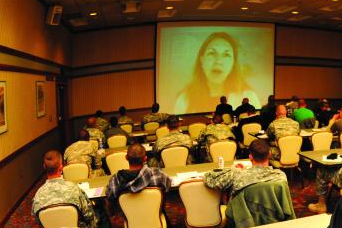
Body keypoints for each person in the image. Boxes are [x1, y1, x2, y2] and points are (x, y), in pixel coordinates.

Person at [174, 32, 260, 114]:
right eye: (212, 53)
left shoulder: (249, 95)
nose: (218, 61)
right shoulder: (184, 99)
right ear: (202, 59)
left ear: (233, 63)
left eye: (226, 55)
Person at [32, 150, 98, 228]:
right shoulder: (74, 189)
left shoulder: (37, 196)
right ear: (61, 167)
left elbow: (38, 221)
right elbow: (88, 215)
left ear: (44, 166)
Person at [203, 139, 287, 196]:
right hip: (273, 219)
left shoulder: (237, 175)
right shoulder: (281, 176)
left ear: (250, 157)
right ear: (269, 154)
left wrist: (233, 169)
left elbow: (209, 178)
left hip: (244, 219)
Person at [105, 143, 172, 201]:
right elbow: (168, 186)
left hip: (129, 215)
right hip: (154, 213)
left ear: (126, 158)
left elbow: (109, 196)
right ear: (145, 158)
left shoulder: (115, 180)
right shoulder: (158, 174)